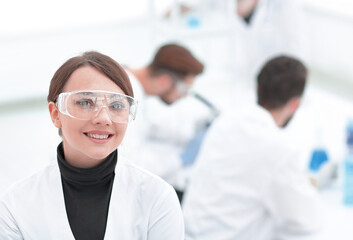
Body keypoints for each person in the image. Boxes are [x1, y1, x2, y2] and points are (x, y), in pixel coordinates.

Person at [0, 51, 184, 239]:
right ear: (56, 114)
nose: (103, 118)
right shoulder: (15, 205)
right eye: (85, 102)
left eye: (117, 106)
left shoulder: (158, 197)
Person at [182, 56, 323, 239]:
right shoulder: (278, 148)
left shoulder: (225, 122)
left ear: (257, 88)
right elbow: (307, 220)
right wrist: (304, 183)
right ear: (295, 104)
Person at [122, 43, 205, 200]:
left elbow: (153, 125)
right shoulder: (126, 96)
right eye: (184, 90)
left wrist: (190, 134)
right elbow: (130, 165)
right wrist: (179, 158)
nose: (184, 96)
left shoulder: (136, 89)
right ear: (165, 81)